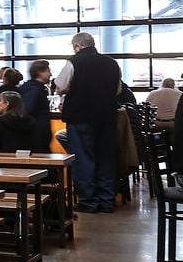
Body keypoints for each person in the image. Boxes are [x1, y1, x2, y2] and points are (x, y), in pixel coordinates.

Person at [58, 32, 122, 213]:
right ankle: (106, 201)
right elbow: (117, 90)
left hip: (81, 116)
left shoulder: (74, 62)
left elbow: (61, 86)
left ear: (77, 46)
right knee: (105, 158)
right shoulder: (112, 63)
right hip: (107, 117)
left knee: (83, 159)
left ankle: (89, 201)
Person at [19, 61, 54, 153]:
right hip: (37, 134)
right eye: (48, 71)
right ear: (40, 72)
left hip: (35, 134)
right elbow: (28, 110)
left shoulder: (31, 88)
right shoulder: (35, 90)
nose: (50, 74)